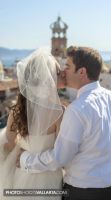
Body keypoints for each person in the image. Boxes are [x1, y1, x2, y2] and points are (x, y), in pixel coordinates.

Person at [19, 46, 111, 200]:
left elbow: (60, 158)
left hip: (81, 192)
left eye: (67, 66)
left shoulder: (77, 109)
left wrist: (25, 160)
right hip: (110, 191)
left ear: (82, 72)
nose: (63, 71)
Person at [0, 48, 66, 200]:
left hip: (21, 172)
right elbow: (61, 151)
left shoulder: (17, 111)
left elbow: (8, 145)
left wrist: (23, 148)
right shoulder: (59, 113)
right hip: (48, 177)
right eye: (56, 73)